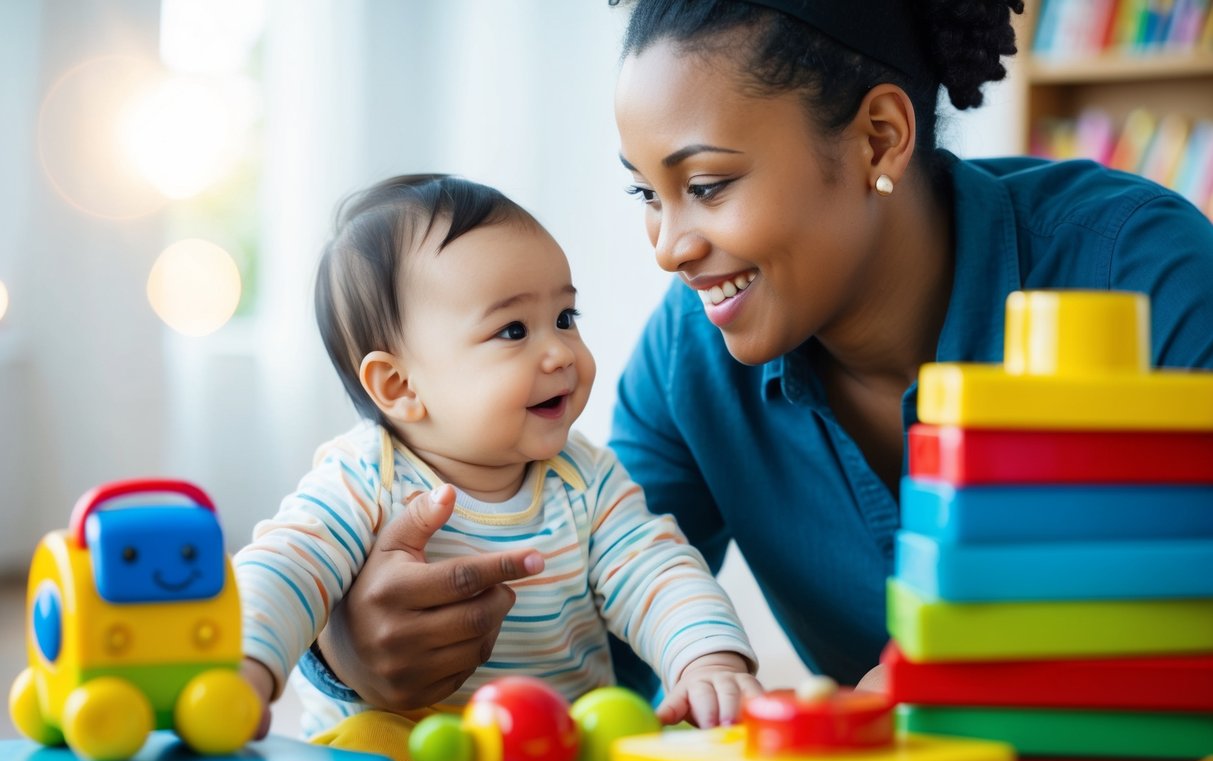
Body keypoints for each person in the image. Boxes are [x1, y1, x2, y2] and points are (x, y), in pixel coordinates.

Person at [308, 0, 1213, 723]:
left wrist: (958, 682)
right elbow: (602, 644)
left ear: (878, 139)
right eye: (645, 192)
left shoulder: (1135, 271)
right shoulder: (686, 359)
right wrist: (354, 650)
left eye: (704, 186)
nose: (665, 247)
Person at [233, 174, 760, 761]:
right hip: (416, 759)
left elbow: (659, 570)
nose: (560, 352)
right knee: (369, 754)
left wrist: (707, 661)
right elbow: (283, 566)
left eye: (564, 317)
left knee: (638, 744)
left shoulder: (584, 479)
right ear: (400, 386)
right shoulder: (363, 479)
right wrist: (244, 669)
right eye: (514, 330)